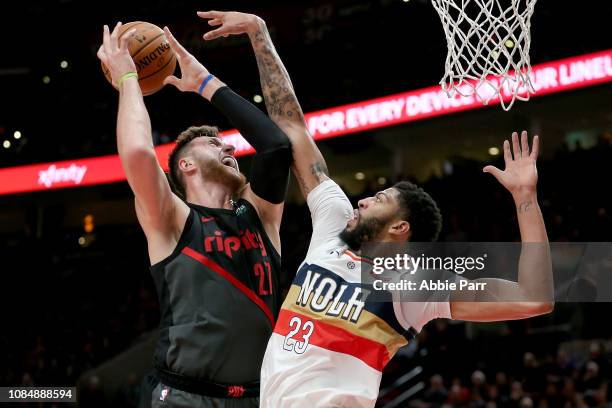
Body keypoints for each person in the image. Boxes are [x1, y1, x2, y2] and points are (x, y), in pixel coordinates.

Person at [199, 10, 554, 408]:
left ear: (400, 228)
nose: (364, 198)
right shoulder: (333, 224)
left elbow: (534, 297)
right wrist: (259, 33)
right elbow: (293, 128)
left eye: (379, 199)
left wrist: (525, 197)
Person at [97, 21, 292, 407]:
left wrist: (205, 83)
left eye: (226, 144)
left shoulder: (261, 216)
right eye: (212, 143)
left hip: (257, 398)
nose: (229, 148)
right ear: (185, 166)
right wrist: (129, 79)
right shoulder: (172, 218)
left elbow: (276, 148)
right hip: (186, 397)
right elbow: (137, 154)